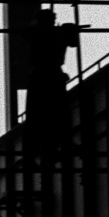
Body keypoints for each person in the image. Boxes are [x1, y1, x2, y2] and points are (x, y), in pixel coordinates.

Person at [24, 9, 82, 156]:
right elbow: (73, 42)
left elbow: (73, 41)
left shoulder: (38, 33)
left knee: (39, 115)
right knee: (57, 114)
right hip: (51, 76)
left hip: (41, 77)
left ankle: (37, 150)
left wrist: (68, 30)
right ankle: (56, 146)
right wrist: (69, 29)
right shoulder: (48, 33)